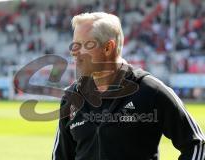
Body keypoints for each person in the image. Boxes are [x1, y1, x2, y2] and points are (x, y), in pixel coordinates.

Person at [52, 12, 205, 160]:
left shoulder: (150, 90)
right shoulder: (72, 97)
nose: (73, 52)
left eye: (82, 45)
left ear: (108, 48)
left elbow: (197, 145)